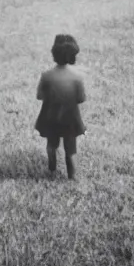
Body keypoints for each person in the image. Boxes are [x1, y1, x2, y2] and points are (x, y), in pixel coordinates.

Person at [35, 34, 86, 180]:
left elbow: (39, 96)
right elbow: (81, 99)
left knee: (52, 144)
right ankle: (72, 176)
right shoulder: (77, 77)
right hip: (70, 118)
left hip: (50, 116)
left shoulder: (46, 75)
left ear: (54, 54)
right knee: (71, 149)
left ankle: (52, 167)